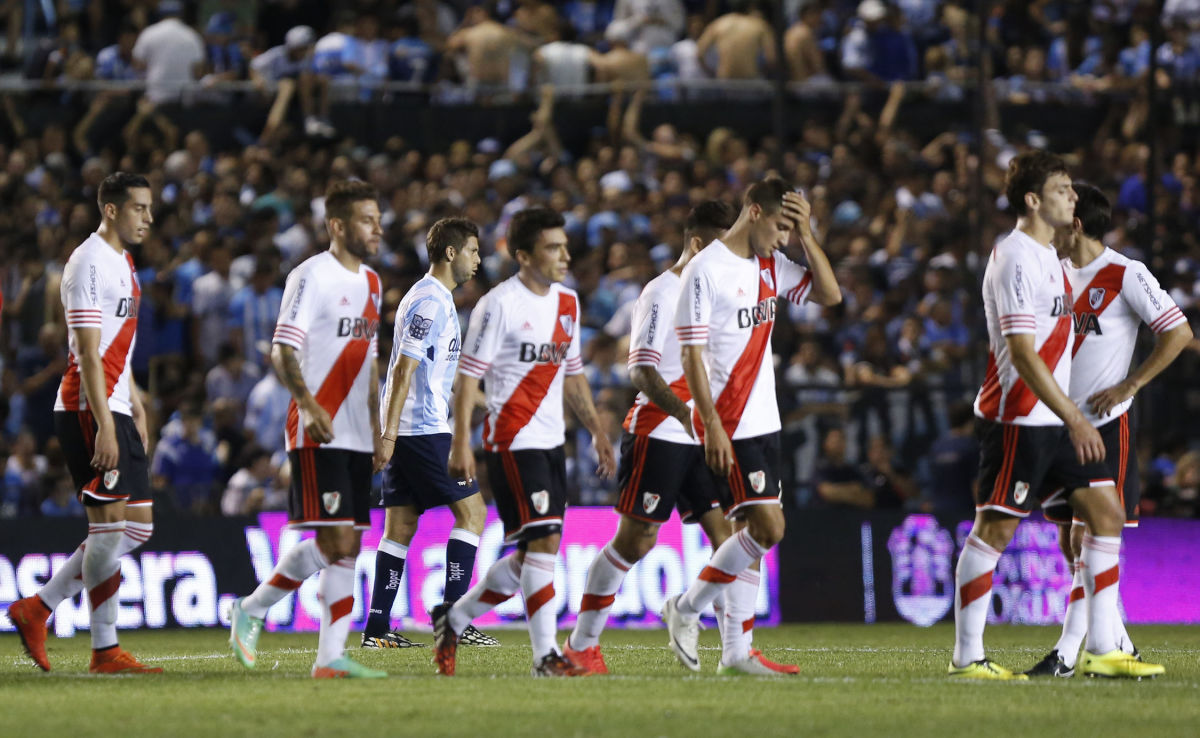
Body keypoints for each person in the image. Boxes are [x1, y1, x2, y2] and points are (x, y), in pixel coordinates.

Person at [950, 151, 1162, 681]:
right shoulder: (1015, 257)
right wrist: (1076, 416)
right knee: (994, 531)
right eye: (1062, 189)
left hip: (1055, 421)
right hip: (1018, 419)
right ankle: (967, 657)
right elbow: (1022, 353)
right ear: (1033, 200)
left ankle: (1103, 648)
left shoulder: (1050, 256)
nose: (1072, 197)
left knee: (1106, 516)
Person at [563, 199, 791, 675]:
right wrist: (687, 415)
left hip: (709, 432)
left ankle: (737, 650)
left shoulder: (725, 288)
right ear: (697, 244)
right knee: (636, 540)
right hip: (662, 429)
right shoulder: (661, 292)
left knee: (733, 534)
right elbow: (641, 370)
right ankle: (581, 645)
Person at [661, 177, 842, 674]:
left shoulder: (771, 265)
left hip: (765, 422)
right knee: (768, 528)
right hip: (729, 423)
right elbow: (691, 356)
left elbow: (830, 293)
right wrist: (711, 425)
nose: (784, 239)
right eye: (782, 226)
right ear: (755, 211)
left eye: (791, 231)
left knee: (748, 535)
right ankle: (687, 608)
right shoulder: (705, 270)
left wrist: (807, 235)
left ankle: (736, 653)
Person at [431, 207, 617, 677]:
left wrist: (596, 430)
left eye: (564, 246)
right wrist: (461, 443)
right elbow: (467, 379)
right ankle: (545, 657)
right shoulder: (498, 305)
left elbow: (573, 374)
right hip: (511, 440)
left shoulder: (568, 303)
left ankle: (453, 619)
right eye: (553, 248)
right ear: (524, 256)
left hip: (552, 442)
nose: (565, 256)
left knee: (529, 554)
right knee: (544, 541)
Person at [1024, 184, 1190, 678]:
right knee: (1071, 544)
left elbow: (1178, 332)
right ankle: (1117, 643)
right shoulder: (1050, 272)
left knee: (1091, 534)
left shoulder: (1126, 273)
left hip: (1102, 427)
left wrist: (1130, 384)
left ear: (1076, 225)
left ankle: (1067, 653)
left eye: (1059, 218)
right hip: (1054, 427)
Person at [228, 180, 387, 680]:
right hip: (319, 428)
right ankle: (252, 607)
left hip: (358, 433)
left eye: (378, 220)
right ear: (337, 225)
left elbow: (370, 363)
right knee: (336, 541)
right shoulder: (310, 275)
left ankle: (329, 658)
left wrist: (379, 428)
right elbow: (282, 350)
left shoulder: (374, 283)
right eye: (367, 220)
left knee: (349, 546)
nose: (378, 229)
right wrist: (308, 404)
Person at [6, 173, 161, 674]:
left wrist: (136, 402)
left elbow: (119, 345)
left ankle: (38, 607)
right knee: (111, 528)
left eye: (149, 208)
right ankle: (104, 649)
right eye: (139, 208)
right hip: (87, 407)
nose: (148, 218)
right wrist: (107, 422)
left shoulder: (126, 263)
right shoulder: (87, 262)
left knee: (135, 528)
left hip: (116, 403)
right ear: (111, 210)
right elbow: (88, 353)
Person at [361, 217, 499, 650]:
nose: (479, 260)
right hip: (421, 429)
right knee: (473, 514)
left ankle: (376, 629)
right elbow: (403, 369)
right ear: (451, 253)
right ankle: (455, 620)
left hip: (412, 428)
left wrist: (487, 402)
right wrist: (388, 435)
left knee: (400, 526)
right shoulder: (429, 302)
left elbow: (440, 374)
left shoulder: (434, 299)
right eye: (473, 251)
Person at [695, 0, 776, 80]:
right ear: (751, 7)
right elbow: (772, 58)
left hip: (724, 80)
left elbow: (699, 53)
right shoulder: (759, 25)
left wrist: (711, 73)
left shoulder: (719, 24)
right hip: (749, 80)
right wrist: (763, 73)